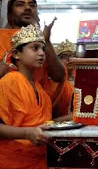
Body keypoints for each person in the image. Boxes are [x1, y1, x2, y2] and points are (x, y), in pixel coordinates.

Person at [0, 24, 52, 168]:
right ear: (16, 54)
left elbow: (43, 123)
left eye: (43, 49)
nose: (42, 53)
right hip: (12, 161)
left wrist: (72, 118)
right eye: (35, 48)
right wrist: (27, 133)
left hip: (40, 159)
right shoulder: (9, 82)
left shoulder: (39, 87)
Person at [46, 39, 75, 120]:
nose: (70, 59)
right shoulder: (54, 83)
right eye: (65, 56)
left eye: (72, 55)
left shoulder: (82, 79)